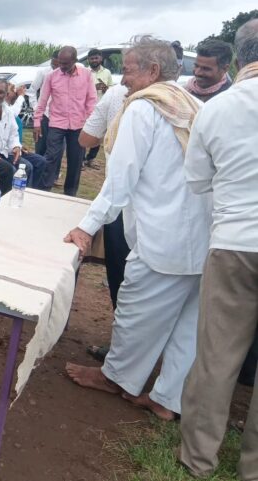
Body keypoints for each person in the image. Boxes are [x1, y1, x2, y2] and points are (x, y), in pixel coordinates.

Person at [63, 36, 211, 421]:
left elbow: (121, 179)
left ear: (153, 71)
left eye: (128, 70)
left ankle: (116, 378)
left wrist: (86, 226)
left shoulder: (145, 110)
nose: (123, 78)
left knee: (135, 309)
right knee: (186, 325)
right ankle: (167, 399)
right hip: (203, 235)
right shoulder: (192, 104)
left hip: (164, 235)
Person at [179, 19, 258, 481]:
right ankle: (254, 472)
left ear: (239, 56)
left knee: (217, 354)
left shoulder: (218, 109)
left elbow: (197, 181)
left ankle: (199, 458)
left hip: (235, 240)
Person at [78, 79, 130, 362]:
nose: (123, 80)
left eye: (129, 71)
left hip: (125, 206)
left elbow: (86, 138)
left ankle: (123, 355)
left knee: (122, 275)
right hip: (163, 213)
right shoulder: (186, 101)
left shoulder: (119, 97)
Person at [33, 46, 97, 197]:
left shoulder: (86, 75)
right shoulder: (52, 76)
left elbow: (91, 100)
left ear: (75, 61)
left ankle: (70, 193)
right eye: (60, 63)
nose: (61, 66)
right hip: (56, 123)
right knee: (51, 157)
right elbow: (42, 100)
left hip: (78, 124)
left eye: (65, 63)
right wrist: (37, 121)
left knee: (76, 160)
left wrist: (90, 123)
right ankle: (45, 190)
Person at [84, 48, 114, 169]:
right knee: (84, 131)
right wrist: (94, 87)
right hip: (86, 107)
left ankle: (91, 158)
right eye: (91, 58)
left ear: (100, 58)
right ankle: (80, 159)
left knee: (98, 134)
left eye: (96, 58)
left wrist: (107, 88)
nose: (94, 60)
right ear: (88, 60)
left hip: (101, 106)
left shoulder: (107, 72)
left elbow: (111, 89)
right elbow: (80, 88)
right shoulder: (85, 72)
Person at [185, 37, 234, 102]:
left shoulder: (230, 98)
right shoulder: (185, 90)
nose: (197, 73)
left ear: (224, 69)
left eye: (205, 69)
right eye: (196, 66)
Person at [31, 50, 59, 155]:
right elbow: (32, 90)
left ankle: (52, 170)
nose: (55, 67)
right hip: (44, 114)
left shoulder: (67, 75)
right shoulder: (43, 72)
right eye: (53, 64)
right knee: (41, 145)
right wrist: (35, 107)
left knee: (55, 147)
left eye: (58, 65)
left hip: (59, 116)